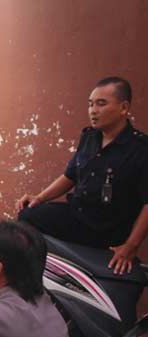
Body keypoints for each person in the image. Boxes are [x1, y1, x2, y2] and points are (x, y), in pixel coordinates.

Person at [17, 76, 148, 275]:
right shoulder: (89, 137)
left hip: (107, 228)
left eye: (101, 104)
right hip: (78, 215)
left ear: (124, 108)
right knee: (27, 215)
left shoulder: (140, 149)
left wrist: (131, 246)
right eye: (91, 104)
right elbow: (70, 176)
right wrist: (39, 197)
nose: (93, 111)